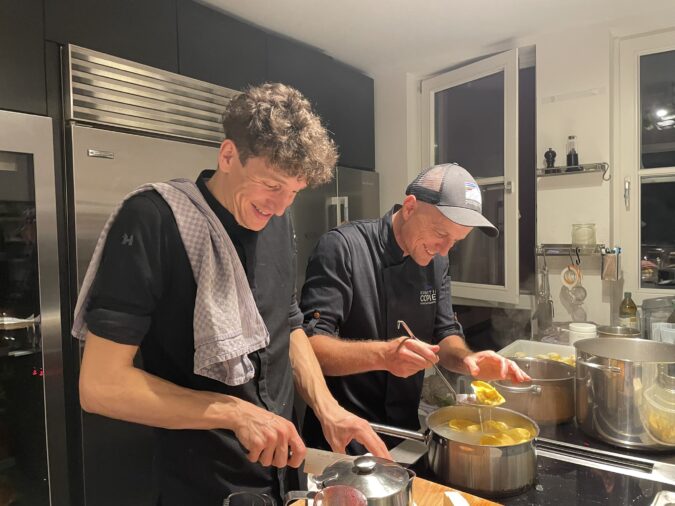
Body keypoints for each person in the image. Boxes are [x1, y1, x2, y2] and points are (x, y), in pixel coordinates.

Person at [74, 83, 389, 506]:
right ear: (227, 156)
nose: (280, 206)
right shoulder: (154, 220)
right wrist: (234, 412)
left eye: (294, 192)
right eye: (271, 185)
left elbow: (287, 323)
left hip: (283, 472)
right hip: (202, 482)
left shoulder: (277, 221)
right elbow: (100, 386)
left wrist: (327, 407)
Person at [300, 163, 531, 453]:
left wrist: (467, 361)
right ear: (410, 207)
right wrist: (384, 355)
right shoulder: (342, 248)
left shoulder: (437, 262)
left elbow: (445, 332)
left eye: (456, 242)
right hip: (341, 437)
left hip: (404, 436)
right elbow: (310, 348)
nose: (445, 250)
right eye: (440, 234)